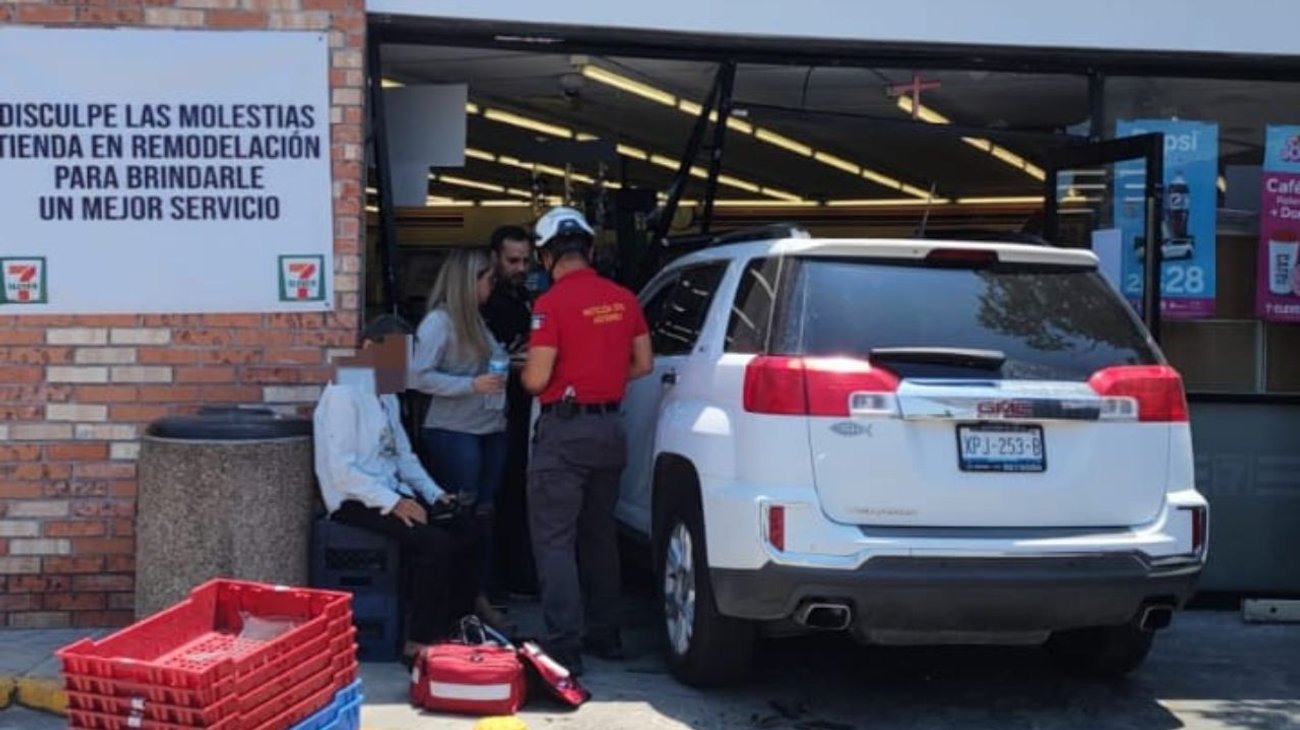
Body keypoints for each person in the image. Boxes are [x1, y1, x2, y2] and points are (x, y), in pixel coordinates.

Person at [521, 207, 654, 674]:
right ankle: (606, 633)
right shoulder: (624, 299)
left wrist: (529, 372)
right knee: (599, 536)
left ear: (546, 257)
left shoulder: (550, 305)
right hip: (610, 430)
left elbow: (536, 379)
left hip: (564, 431)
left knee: (555, 539)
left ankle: (564, 643)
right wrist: (603, 380)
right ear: (590, 249)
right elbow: (643, 364)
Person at [313, 314, 475, 663]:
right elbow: (343, 471)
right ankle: (419, 640)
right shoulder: (343, 390)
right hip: (354, 499)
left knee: (465, 526)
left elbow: (403, 455)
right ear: (369, 348)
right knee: (433, 543)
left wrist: (435, 495)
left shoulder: (386, 394)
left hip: (390, 489)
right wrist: (394, 503)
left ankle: (456, 624)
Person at [409, 247, 512, 631]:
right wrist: (470, 384)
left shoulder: (476, 321)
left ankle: (476, 596)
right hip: (454, 431)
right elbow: (415, 376)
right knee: (462, 516)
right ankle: (458, 603)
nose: (492, 286)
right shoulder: (439, 322)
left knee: (483, 515)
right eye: (488, 279)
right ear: (469, 282)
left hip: (489, 427)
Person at [480, 225, 539, 598]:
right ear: (494, 259)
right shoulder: (482, 309)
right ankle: (494, 582)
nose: (520, 268)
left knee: (515, 492)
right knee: (495, 497)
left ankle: (510, 576)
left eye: (526, 261)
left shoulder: (524, 299)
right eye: (512, 260)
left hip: (520, 408)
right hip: (486, 413)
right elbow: (420, 373)